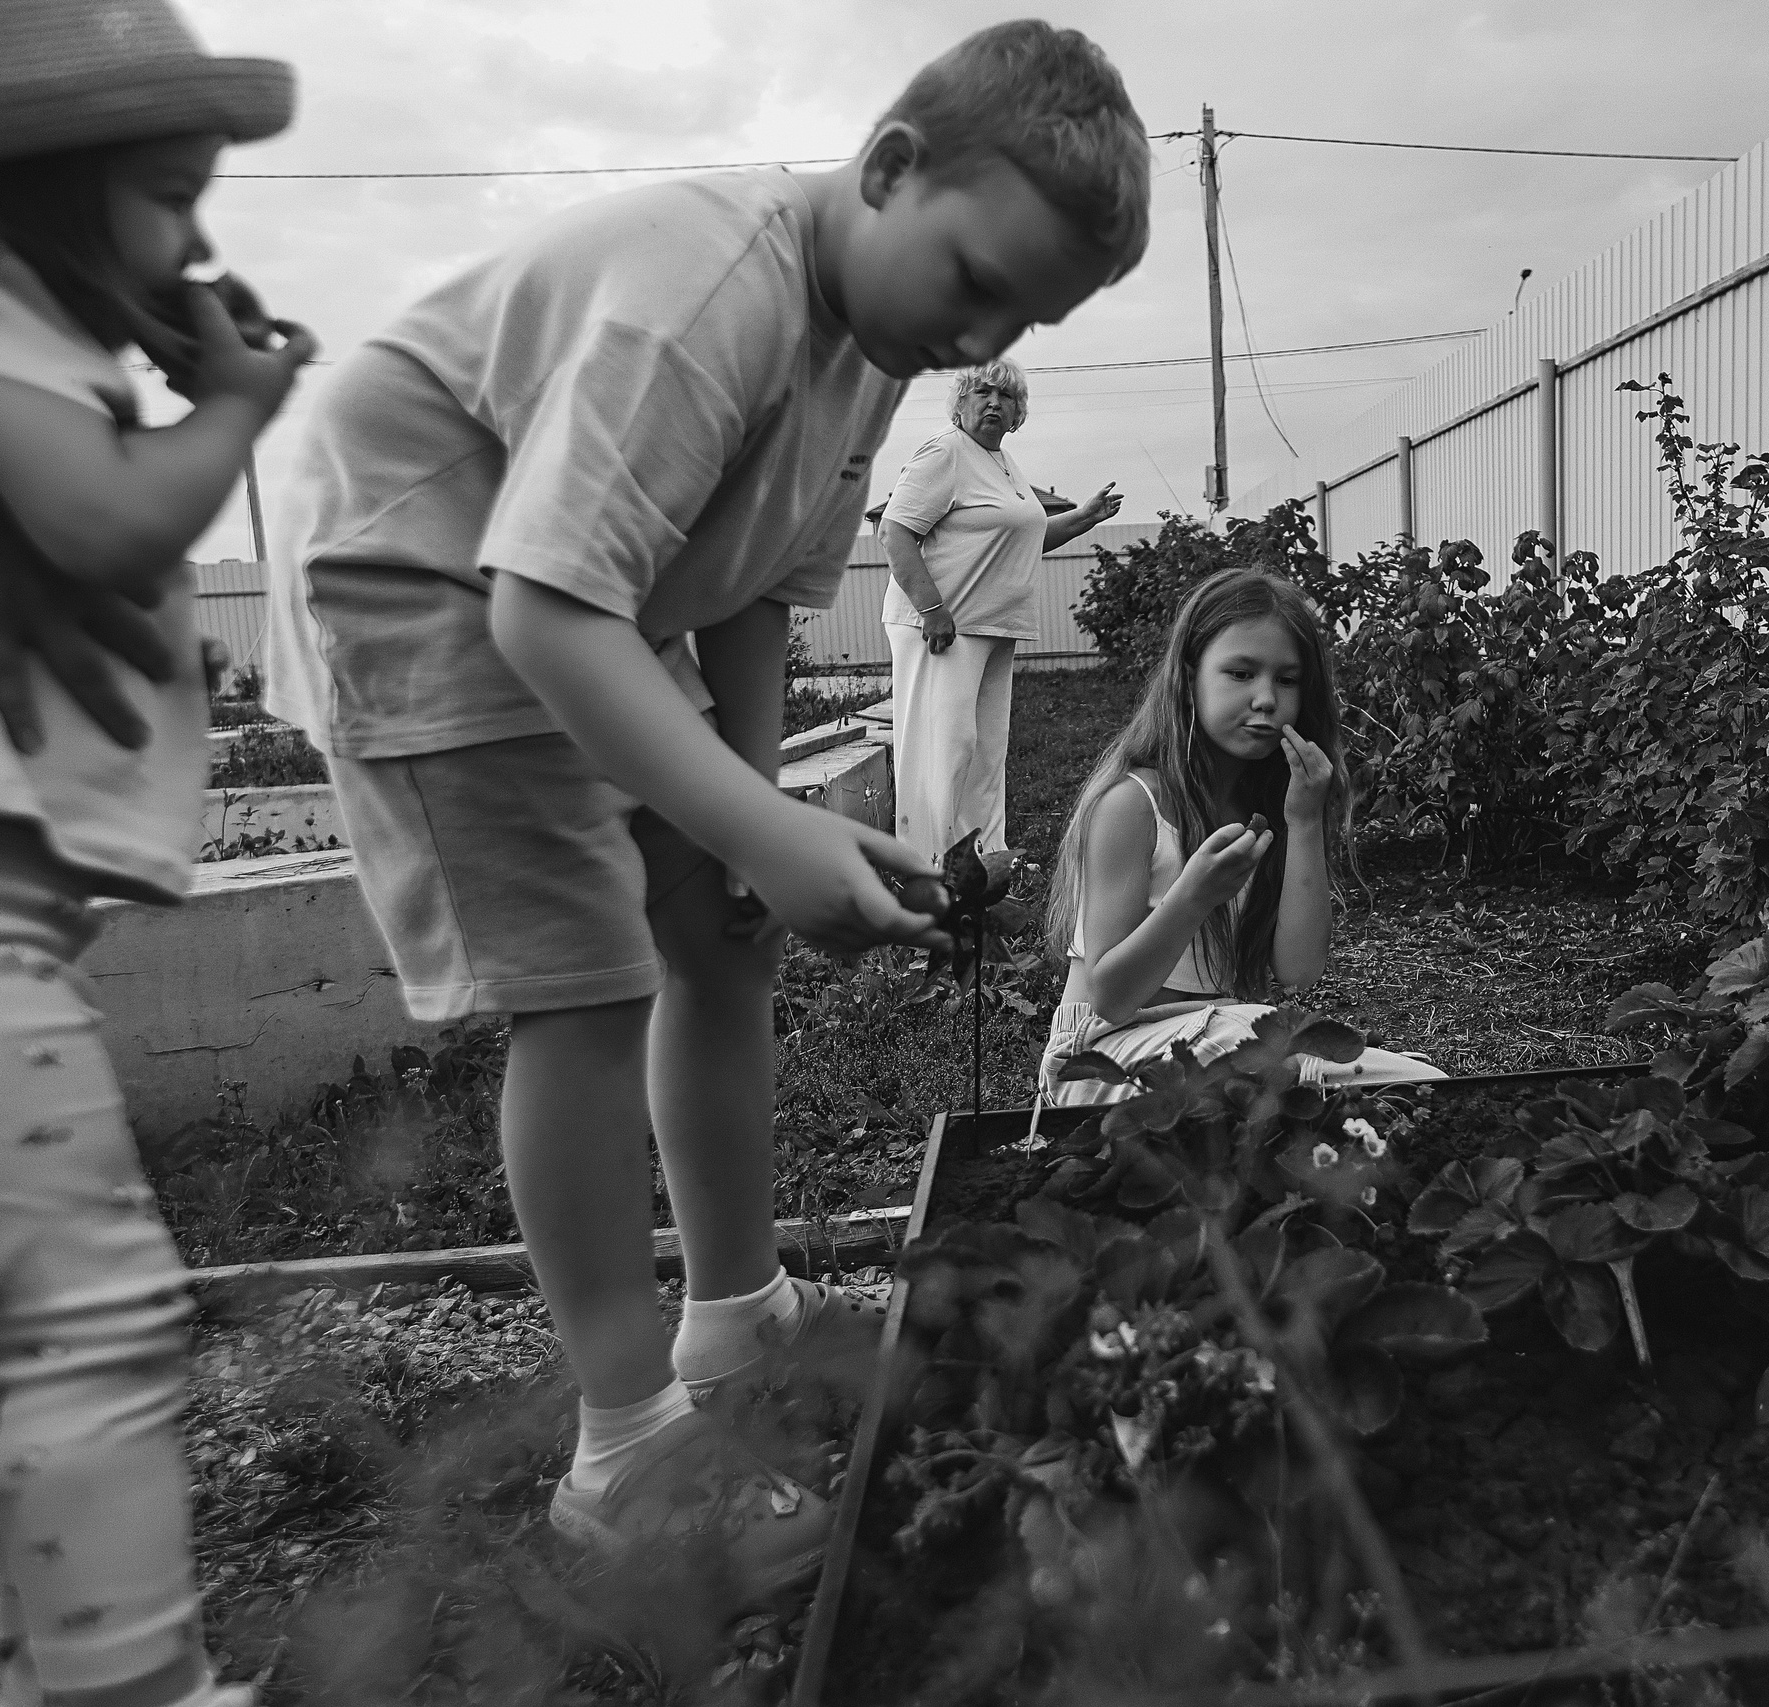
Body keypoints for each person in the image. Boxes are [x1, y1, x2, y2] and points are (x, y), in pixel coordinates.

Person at [259, 20, 1149, 1608]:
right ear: (887, 169)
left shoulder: (867, 345)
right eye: (975, 280)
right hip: (425, 571)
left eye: (1023, 315)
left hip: (576, 586)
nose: (982, 335)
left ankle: (734, 1316)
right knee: (588, 982)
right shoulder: (708, 298)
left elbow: (750, 597)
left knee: (718, 942)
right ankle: (626, 1455)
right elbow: (543, 607)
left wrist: (749, 826)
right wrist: (754, 823)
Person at [0, 2, 317, 1702]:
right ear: (26, 190)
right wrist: (235, 401)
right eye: (170, 194)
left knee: (46, 1329)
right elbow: (111, 518)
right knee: (94, 1318)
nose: (200, 238)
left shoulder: (19, 333)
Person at [1039, 568, 1446, 1105]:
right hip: (1101, 1057)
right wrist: (1194, 895)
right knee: (1271, 1055)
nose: (1265, 698)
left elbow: (1298, 971)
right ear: (1190, 677)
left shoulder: (1271, 807)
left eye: (1287, 679)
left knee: (1423, 1088)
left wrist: (1303, 823)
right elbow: (1110, 998)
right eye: (1240, 673)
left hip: (1217, 1038)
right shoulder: (1131, 805)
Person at [880, 358, 1123, 864]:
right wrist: (932, 609)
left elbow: (1025, 540)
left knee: (986, 751)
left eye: (1006, 396)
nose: (994, 402)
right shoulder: (945, 453)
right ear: (960, 404)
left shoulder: (1003, 464)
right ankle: (928, 866)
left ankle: (986, 858)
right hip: (942, 627)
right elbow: (895, 531)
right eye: (982, 392)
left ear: (1018, 412)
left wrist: (1083, 518)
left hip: (990, 628)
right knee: (942, 749)